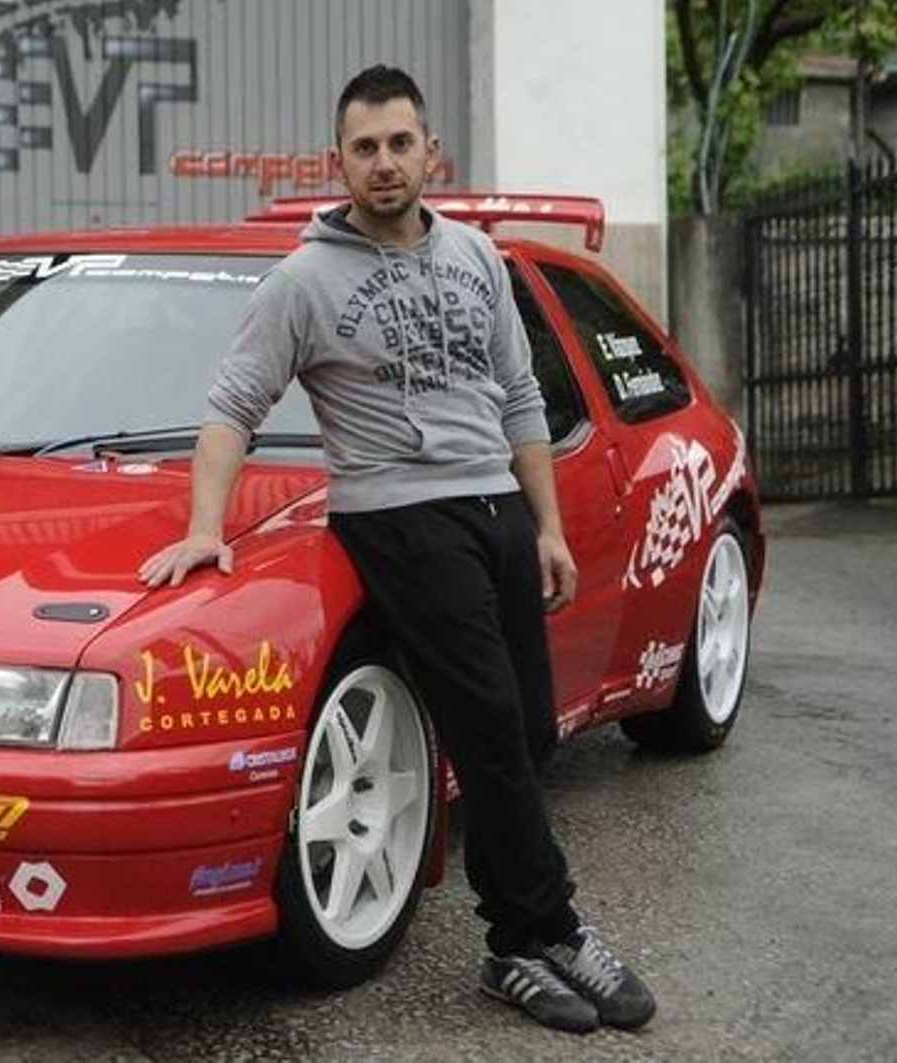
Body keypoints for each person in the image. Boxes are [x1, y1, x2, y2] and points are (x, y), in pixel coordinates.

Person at [138, 65, 656, 1034]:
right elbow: (230, 409)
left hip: (496, 510)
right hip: (400, 516)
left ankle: (515, 946)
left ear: (430, 152)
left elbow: (517, 399)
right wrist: (204, 531)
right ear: (339, 161)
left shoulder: (475, 259)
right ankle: (547, 929)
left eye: (398, 143)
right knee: (493, 729)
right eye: (364, 147)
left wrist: (544, 523)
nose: (383, 163)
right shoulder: (303, 279)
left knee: (529, 730)